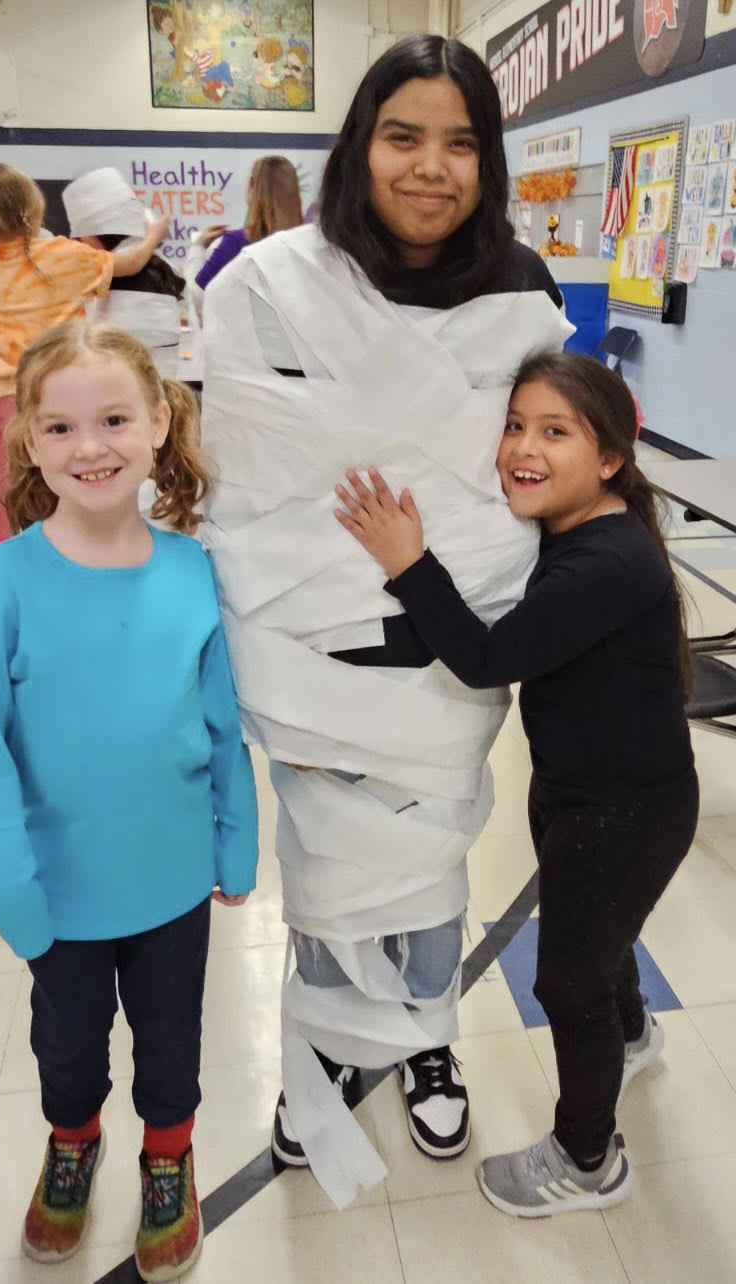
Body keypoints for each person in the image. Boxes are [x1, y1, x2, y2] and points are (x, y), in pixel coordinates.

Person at [198, 34, 573, 1208]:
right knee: (321, 876)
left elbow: (528, 472)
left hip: (457, 638)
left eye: (460, 142)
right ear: (358, 146)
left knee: (427, 862)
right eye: (402, 136)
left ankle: (423, 1036)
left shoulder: (522, 289)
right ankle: (315, 1041)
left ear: (488, 159)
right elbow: (244, 494)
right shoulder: (268, 283)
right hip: (303, 643)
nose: (430, 166)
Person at [334, 350, 697, 1216]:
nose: (522, 448)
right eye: (514, 425)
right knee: (599, 945)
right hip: (591, 791)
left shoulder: (605, 562)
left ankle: (587, 1161)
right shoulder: (587, 530)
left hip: (623, 812)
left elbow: (487, 658)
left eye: (555, 431)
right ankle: (635, 1033)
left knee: (566, 983)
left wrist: (406, 558)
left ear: (611, 457)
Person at [0, 318, 258, 1279]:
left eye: (115, 419)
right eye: (62, 429)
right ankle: (72, 1142)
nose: (92, 448)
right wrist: (10, 886)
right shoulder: (0, 584)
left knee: (172, 1037)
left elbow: (220, 722)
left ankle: (170, 1156)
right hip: (60, 890)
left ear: (160, 422)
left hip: (169, 881)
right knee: (67, 1042)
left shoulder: (193, 572)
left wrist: (236, 844)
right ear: (29, 442)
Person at [0, 162, 171, 548]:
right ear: (34, 209)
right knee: (54, 500)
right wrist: (154, 235)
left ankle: (0, 583)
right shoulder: (60, 254)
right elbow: (132, 262)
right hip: (28, 396)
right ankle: (61, 575)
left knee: (0, 500)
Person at [62, 167, 185, 377]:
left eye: (81, 239)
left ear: (95, 234)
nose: (79, 245)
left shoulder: (106, 272)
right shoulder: (163, 268)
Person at [185, 154, 303, 314]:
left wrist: (197, 248)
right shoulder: (307, 243)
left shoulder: (235, 243)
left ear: (252, 186)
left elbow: (198, 298)